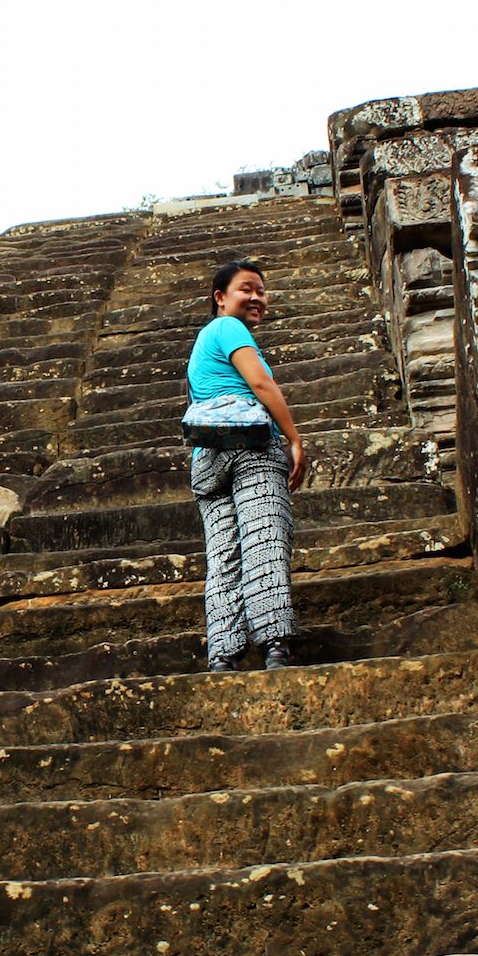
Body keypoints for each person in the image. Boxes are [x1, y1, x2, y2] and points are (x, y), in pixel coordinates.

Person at [185, 257, 307, 672]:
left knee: (223, 557)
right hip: (251, 447)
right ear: (220, 298)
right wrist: (293, 437)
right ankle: (274, 644)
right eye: (246, 288)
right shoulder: (228, 328)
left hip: (207, 461)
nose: (256, 297)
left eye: (261, 290)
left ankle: (223, 654)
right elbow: (260, 382)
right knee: (264, 539)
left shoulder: (202, 343)